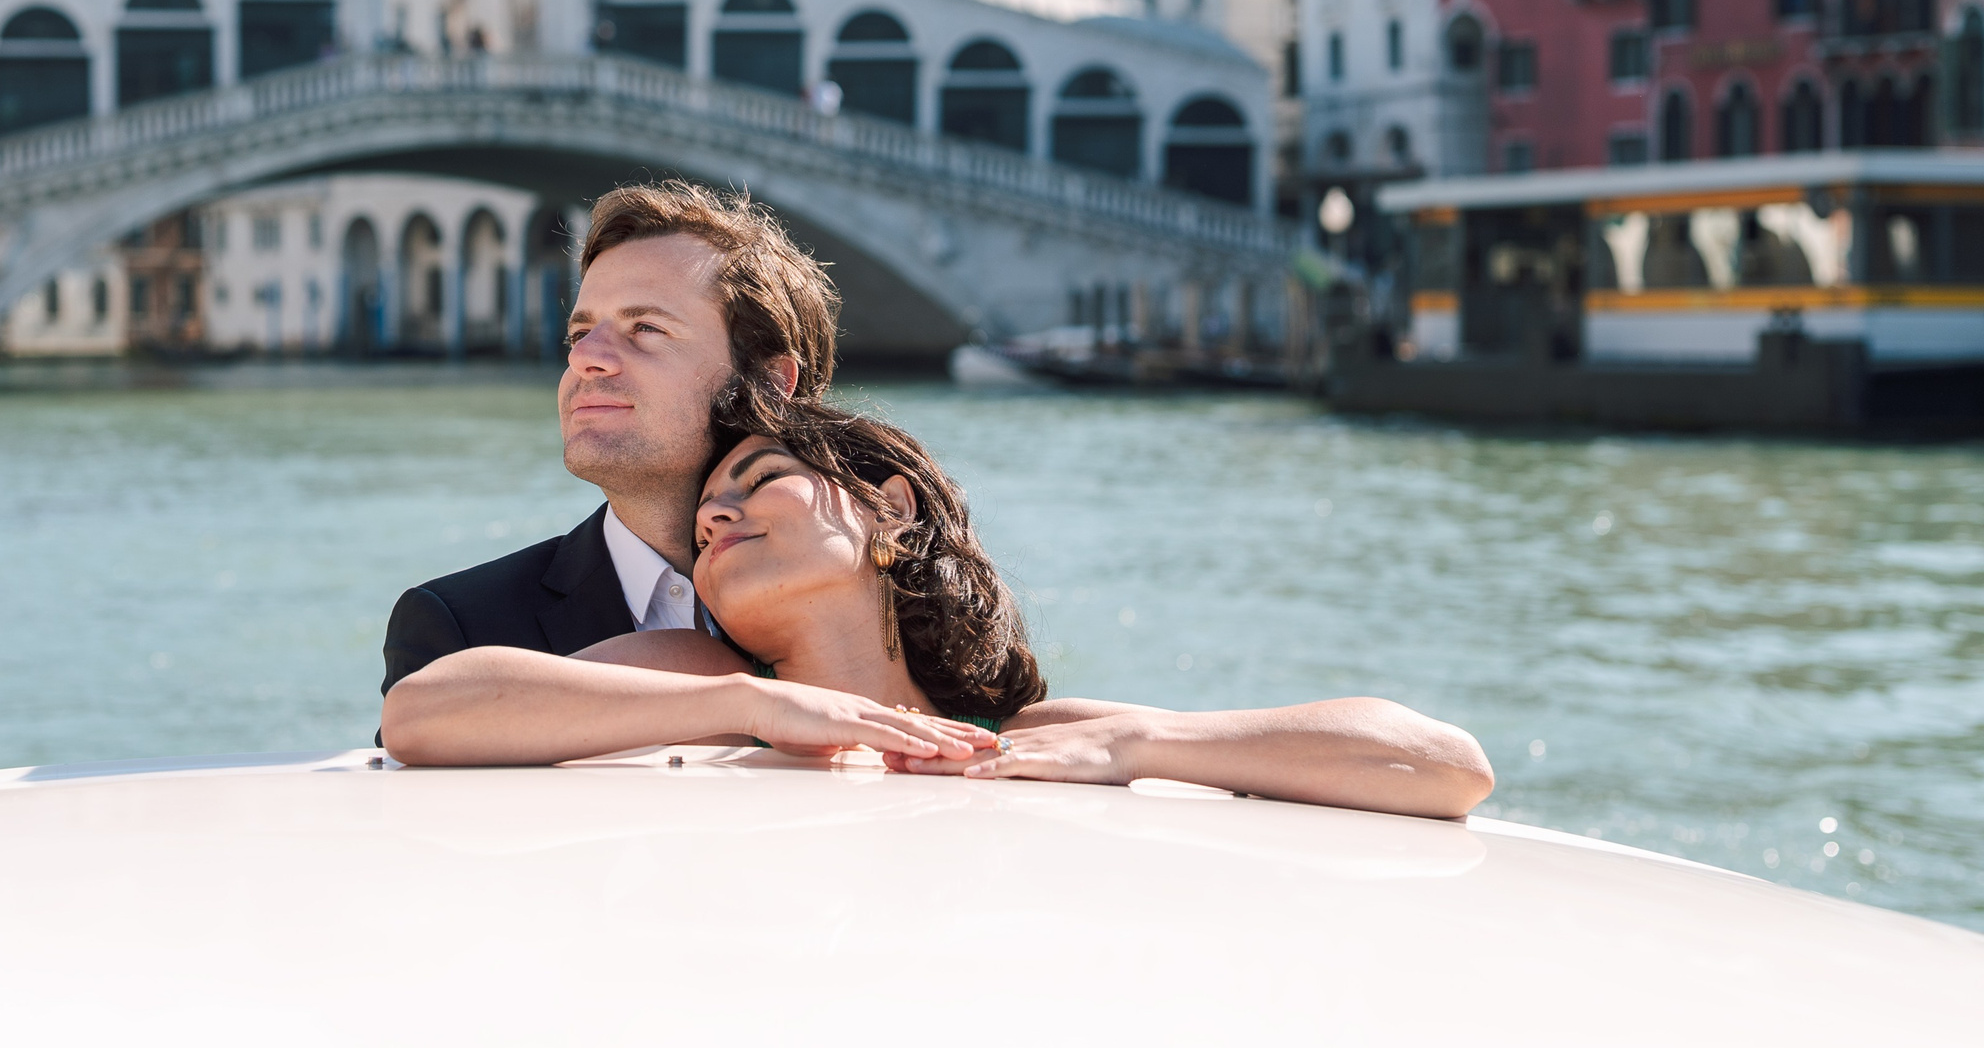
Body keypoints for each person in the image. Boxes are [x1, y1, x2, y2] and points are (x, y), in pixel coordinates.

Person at [382, 403, 1496, 821]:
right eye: (708, 509)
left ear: (889, 509)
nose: (715, 513)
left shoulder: (1026, 736)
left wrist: (1144, 744)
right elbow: (424, 713)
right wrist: (753, 708)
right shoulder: (697, 675)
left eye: (759, 480)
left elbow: (1445, 766)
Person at [377, 181, 838, 703]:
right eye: (579, 334)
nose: (584, 358)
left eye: (645, 328)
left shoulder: (885, 597)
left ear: (771, 383)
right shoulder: (463, 629)